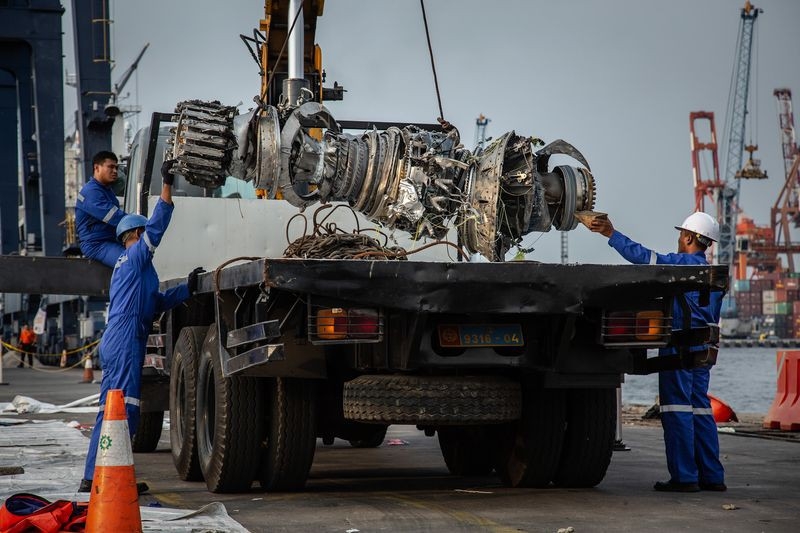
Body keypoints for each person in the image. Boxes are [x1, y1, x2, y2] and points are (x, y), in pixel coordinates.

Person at [80, 160, 204, 493]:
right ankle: (107, 479)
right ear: (134, 235)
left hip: (125, 338)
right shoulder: (134, 258)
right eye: (143, 232)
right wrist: (166, 186)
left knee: (115, 407)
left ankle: (97, 477)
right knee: (123, 410)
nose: (147, 235)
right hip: (124, 340)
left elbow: (157, 303)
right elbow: (159, 228)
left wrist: (188, 288)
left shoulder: (138, 271)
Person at [590, 211, 726, 493]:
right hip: (705, 351)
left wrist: (611, 235)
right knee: (700, 409)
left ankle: (685, 477)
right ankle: (712, 476)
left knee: (676, 409)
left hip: (680, 349)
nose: (678, 238)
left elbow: (645, 259)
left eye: (681, 234)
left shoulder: (682, 265)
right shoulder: (713, 275)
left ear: (689, 237)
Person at [75, 151, 128, 268]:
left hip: (111, 239)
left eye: (116, 167)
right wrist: (136, 223)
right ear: (97, 168)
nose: (115, 171)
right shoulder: (90, 192)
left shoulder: (106, 190)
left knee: (141, 255)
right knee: (128, 262)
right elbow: (113, 216)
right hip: (96, 244)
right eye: (110, 167)